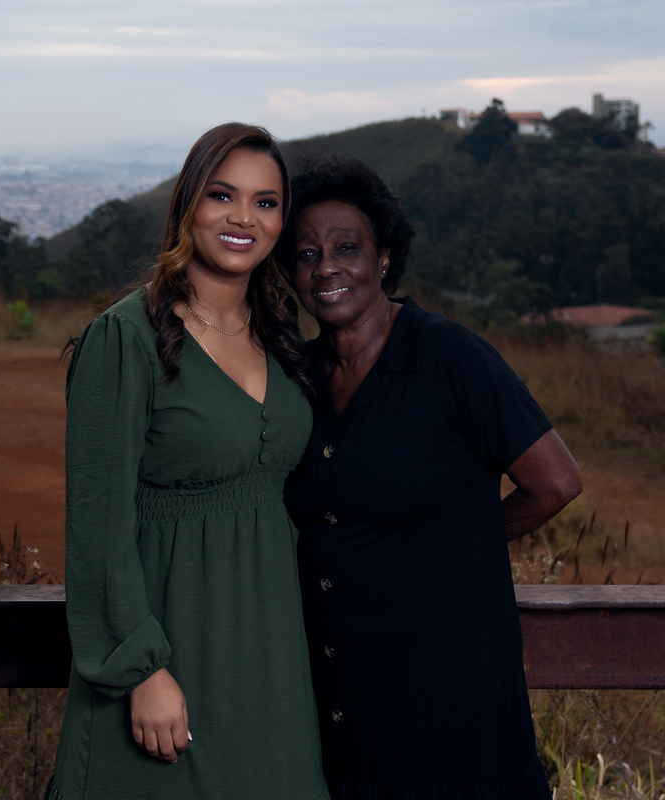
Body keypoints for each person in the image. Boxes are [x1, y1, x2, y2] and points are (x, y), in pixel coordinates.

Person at [282, 157, 582, 799]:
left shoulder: (449, 356)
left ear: (385, 257)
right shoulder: (295, 377)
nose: (326, 267)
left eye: (347, 248)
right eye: (306, 254)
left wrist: (458, 542)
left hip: (447, 693)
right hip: (342, 693)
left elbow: (555, 482)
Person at [46, 123, 328, 800]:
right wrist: (140, 671)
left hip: (272, 658)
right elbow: (97, 525)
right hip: (168, 653)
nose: (243, 218)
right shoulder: (125, 337)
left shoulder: (282, 334)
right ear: (187, 203)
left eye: (265, 203)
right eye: (222, 195)